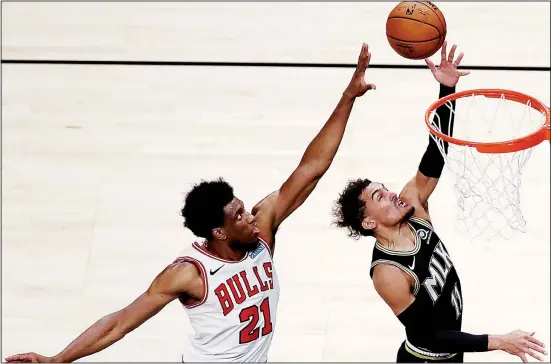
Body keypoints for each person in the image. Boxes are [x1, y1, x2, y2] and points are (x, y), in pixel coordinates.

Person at [5, 43, 376, 363]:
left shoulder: (260, 232)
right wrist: (58, 358)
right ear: (218, 231)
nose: (251, 219)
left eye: (245, 209)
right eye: (239, 216)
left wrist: (347, 97)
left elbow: (311, 168)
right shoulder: (189, 272)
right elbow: (120, 322)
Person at [332, 42, 547, 364]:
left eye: (386, 188)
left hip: (453, 353)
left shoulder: (413, 206)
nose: (392, 194)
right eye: (380, 197)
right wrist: (499, 340)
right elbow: (426, 334)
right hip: (425, 359)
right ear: (368, 222)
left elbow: (436, 153)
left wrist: (446, 89)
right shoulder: (388, 272)